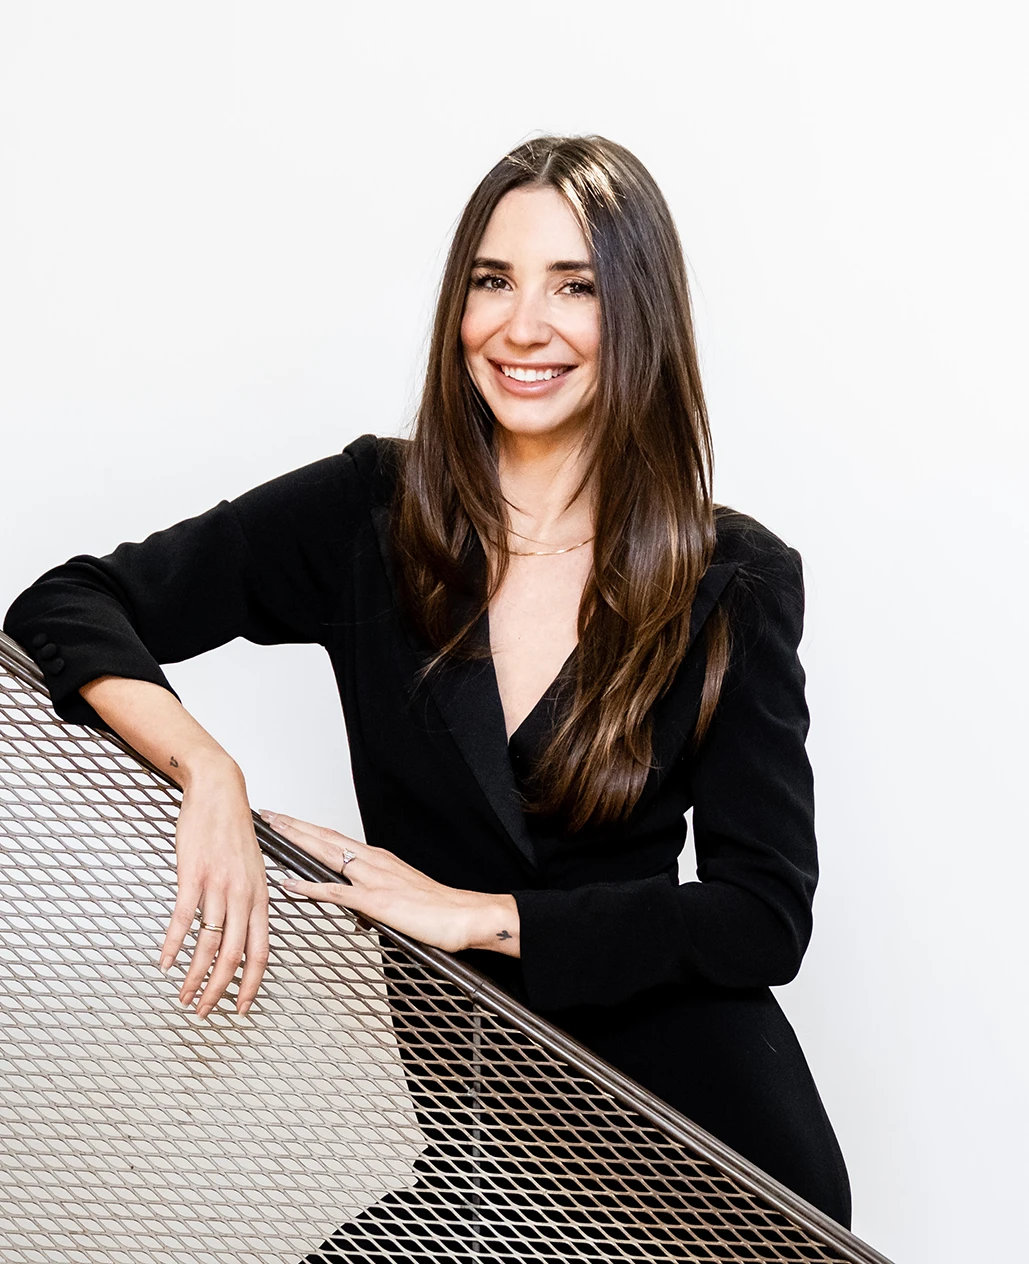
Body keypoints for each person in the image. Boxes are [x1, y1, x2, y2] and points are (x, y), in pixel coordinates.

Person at [3, 135, 853, 1247]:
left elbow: (762, 917)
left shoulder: (731, 576)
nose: (523, 325)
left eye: (576, 286)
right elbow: (69, 603)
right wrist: (204, 768)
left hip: (710, 1158)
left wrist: (474, 917)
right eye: (493, 280)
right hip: (489, 1136)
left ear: (637, 316)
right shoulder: (372, 513)